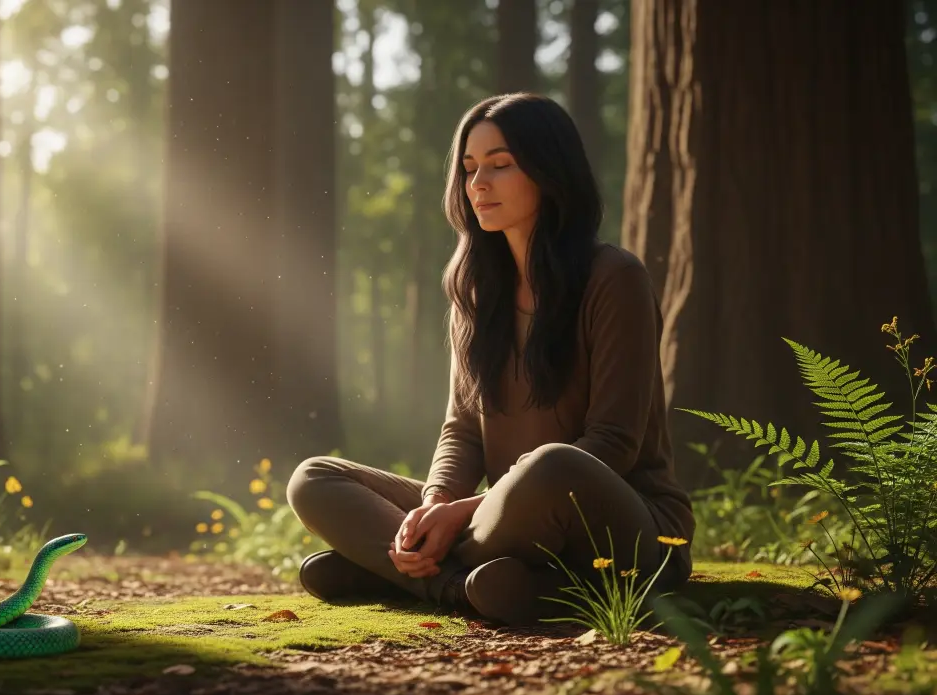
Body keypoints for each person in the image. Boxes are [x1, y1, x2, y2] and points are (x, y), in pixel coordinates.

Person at [285, 93, 695, 626]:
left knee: (554, 464)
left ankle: (401, 575)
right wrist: (435, 505)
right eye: (470, 168)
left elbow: (613, 444)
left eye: (500, 165)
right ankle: (465, 586)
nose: (478, 182)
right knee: (314, 478)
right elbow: (462, 429)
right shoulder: (477, 289)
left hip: (621, 524)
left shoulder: (614, 278)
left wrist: (462, 514)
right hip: (503, 522)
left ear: (550, 172)